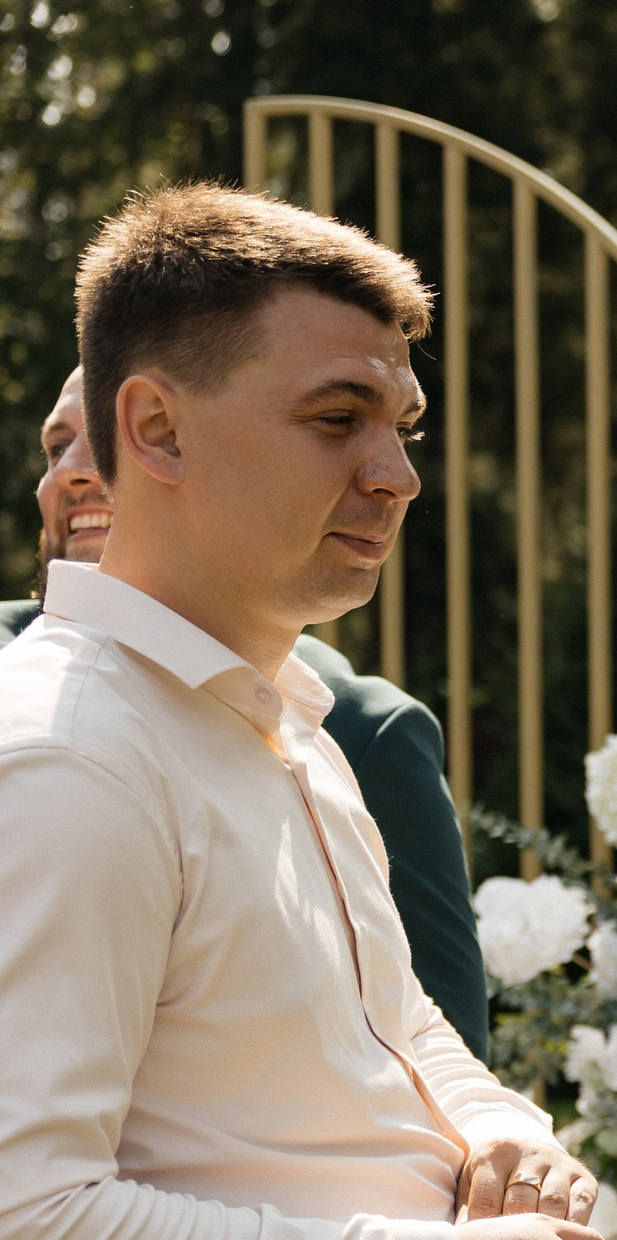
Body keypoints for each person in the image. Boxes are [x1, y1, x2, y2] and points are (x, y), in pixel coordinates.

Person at [0, 184, 617, 1240]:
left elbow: (398, 1024)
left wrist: (499, 1134)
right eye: (339, 415)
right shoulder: (73, 756)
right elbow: (20, 1235)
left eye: (402, 420)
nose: (397, 470)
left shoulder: (293, 723)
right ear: (153, 425)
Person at [4, 364, 491, 1059]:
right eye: (57, 448)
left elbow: (431, 1052)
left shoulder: (356, 733)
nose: (75, 472)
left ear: (164, 446)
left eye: (105, 441)